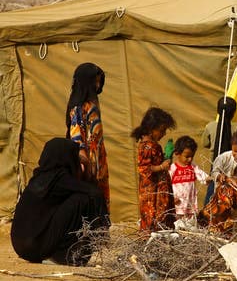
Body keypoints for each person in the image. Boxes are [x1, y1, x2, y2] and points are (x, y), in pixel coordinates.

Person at [11, 138, 109, 266]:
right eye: (74, 156)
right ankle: (61, 255)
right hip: (35, 246)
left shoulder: (41, 177)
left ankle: (57, 252)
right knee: (83, 200)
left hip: (23, 247)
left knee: (80, 197)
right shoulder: (60, 179)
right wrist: (88, 166)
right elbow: (94, 192)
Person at [66, 62, 110, 212]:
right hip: (88, 163)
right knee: (91, 200)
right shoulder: (79, 108)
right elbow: (77, 138)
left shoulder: (92, 104)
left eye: (99, 81)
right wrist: (86, 164)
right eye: (95, 81)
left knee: (100, 200)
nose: (97, 86)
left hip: (99, 159)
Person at [131, 107, 177, 232]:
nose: (163, 134)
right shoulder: (147, 146)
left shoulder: (153, 145)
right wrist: (162, 167)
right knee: (154, 216)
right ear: (151, 129)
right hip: (152, 191)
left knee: (161, 216)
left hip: (158, 189)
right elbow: (144, 168)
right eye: (161, 130)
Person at [200, 163, 237, 237]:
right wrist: (226, 227)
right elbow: (223, 211)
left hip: (210, 217)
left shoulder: (228, 184)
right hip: (215, 219)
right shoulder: (230, 191)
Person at [168, 135, 211, 226]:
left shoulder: (193, 167)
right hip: (177, 207)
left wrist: (210, 178)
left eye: (192, 156)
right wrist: (171, 198)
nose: (190, 159)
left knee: (189, 227)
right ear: (177, 153)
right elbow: (166, 185)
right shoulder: (172, 169)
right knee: (177, 226)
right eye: (187, 156)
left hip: (190, 207)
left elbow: (202, 176)